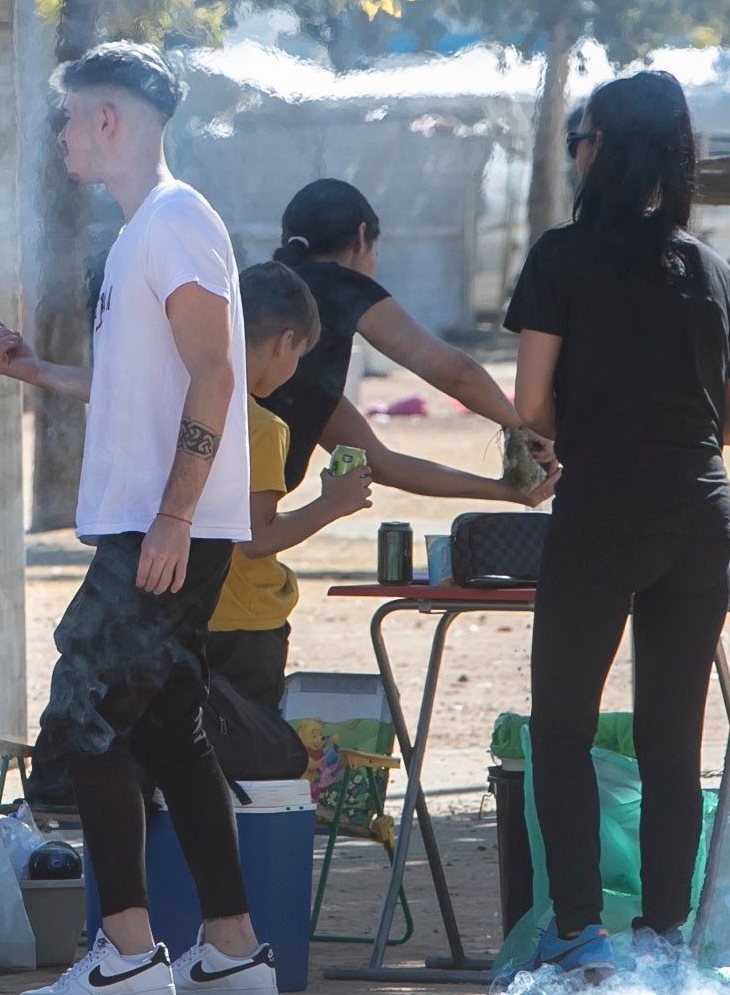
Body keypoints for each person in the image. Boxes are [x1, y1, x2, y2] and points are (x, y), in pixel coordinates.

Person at [0, 42, 275, 995]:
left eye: (70, 116)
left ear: (110, 120)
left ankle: (126, 956)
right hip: (154, 522)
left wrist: (177, 514)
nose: (61, 133)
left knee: (85, 717)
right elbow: (142, 380)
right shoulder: (146, 232)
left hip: (163, 526)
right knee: (171, 732)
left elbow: (215, 373)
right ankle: (232, 951)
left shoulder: (176, 220)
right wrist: (39, 375)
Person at [508, 70, 730, 979]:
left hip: (600, 515)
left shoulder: (559, 258)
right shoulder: (713, 271)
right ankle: (664, 942)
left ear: (600, 150)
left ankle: (577, 931)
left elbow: (530, 402)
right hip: (698, 520)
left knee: (562, 730)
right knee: (672, 743)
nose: (575, 148)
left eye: (582, 135)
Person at [204, 263, 546, 709]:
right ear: (285, 343)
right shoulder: (264, 427)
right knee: (245, 756)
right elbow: (256, 538)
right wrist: (332, 503)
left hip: (193, 610)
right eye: (298, 356)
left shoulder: (193, 406)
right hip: (245, 619)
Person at [266, 177, 541, 488]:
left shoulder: (266, 292)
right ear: (361, 237)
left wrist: (505, 492)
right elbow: (453, 371)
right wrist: (519, 425)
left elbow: (379, 464)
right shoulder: (341, 286)